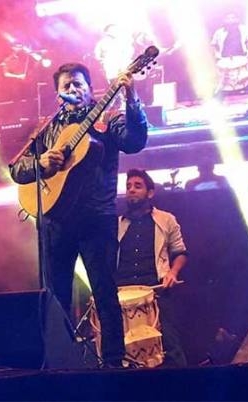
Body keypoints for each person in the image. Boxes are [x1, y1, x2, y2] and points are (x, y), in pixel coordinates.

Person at [9, 62, 148, 368]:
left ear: (90, 88)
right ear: (58, 94)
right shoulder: (48, 128)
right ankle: (61, 361)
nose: (73, 89)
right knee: (56, 296)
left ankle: (113, 363)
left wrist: (132, 97)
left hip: (97, 219)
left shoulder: (106, 119)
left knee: (104, 293)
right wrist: (41, 163)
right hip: (56, 222)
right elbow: (16, 169)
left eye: (79, 84)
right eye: (67, 86)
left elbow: (135, 142)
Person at [116, 169, 188, 367]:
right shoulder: (117, 224)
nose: (131, 190)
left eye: (137, 186)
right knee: (123, 352)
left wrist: (172, 273)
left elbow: (180, 252)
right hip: (123, 293)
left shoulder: (166, 219)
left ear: (150, 192)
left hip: (156, 290)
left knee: (170, 346)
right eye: (128, 186)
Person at [211, 13, 248, 94]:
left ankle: (242, 91)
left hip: (240, 56)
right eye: (228, 18)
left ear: (237, 19)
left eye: (233, 18)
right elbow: (213, 44)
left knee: (241, 77)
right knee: (226, 79)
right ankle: (225, 93)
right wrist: (216, 54)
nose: (231, 20)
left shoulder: (243, 29)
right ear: (224, 20)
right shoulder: (219, 32)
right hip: (225, 57)